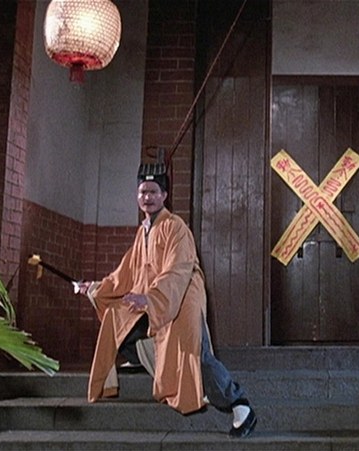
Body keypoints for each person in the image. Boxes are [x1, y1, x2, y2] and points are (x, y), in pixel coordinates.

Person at [77, 160, 257, 438]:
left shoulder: (176, 227)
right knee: (116, 319)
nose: (147, 197)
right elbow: (125, 273)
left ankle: (239, 405)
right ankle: (144, 358)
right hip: (153, 299)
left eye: (153, 192)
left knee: (194, 353)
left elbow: (178, 270)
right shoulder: (143, 231)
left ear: (164, 195)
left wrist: (151, 299)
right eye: (142, 192)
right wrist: (96, 287)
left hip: (182, 297)